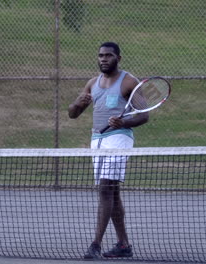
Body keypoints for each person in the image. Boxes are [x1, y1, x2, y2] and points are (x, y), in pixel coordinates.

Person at [68, 42, 149, 259]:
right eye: (101, 56)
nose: (104, 59)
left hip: (119, 138)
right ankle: (123, 245)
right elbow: (73, 114)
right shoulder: (93, 83)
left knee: (105, 189)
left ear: (118, 58)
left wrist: (124, 123)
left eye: (109, 55)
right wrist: (77, 103)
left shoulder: (129, 82)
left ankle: (95, 244)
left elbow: (144, 115)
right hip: (97, 139)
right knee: (112, 192)